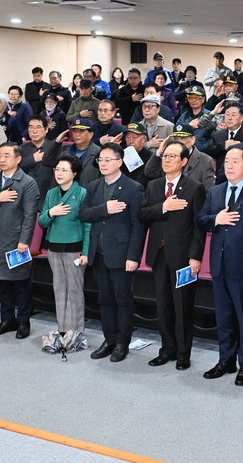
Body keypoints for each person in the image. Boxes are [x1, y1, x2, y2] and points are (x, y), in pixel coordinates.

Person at [196, 146, 243, 386]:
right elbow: (201, 220)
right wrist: (216, 219)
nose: (229, 165)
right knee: (224, 317)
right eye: (226, 161)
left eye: (235, 161)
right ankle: (226, 360)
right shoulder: (215, 191)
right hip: (219, 264)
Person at [138, 141, 207, 370]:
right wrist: (164, 207)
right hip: (158, 255)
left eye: (172, 156)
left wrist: (195, 257)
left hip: (184, 257)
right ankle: (167, 349)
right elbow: (142, 214)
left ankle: (183, 354)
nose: (166, 160)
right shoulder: (154, 186)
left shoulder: (195, 188)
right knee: (163, 306)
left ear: (184, 161)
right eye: (165, 156)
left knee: (183, 307)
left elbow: (198, 227)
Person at [79, 143, 145, 362]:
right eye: (101, 160)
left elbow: (137, 226)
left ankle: (122, 343)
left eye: (108, 159)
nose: (103, 164)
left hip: (122, 254)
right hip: (98, 253)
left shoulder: (133, 188)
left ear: (120, 162)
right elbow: (83, 214)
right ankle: (109, 339)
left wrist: (133, 256)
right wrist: (104, 209)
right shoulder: (94, 186)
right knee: (104, 298)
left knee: (122, 299)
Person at [0, 142, 40, 339]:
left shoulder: (27, 182)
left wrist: (24, 241)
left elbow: (30, 216)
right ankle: (7, 320)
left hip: (15, 241)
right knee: (1, 282)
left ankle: (23, 322)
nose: (2, 159)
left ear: (18, 159)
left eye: (7, 156)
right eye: (0, 155)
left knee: (20, 284)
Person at [38, 154, 90, 336]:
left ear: (74, 173)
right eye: (57, 169)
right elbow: (42, 221)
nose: (59, 173)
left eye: (64, 170)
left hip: (74, 249)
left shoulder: (82, 193)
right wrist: (51, 212)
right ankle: (62, 329)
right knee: (59, 289)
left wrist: (86, 252)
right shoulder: (51, 193)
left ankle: (76, 331)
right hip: (54, 248)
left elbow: (87, 226)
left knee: (74, 290)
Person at [144, 124, 215, 191]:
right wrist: (159, 152)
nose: (179, 142)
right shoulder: (167, 157)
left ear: (192, 140)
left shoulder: (205, 161)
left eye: (182, 138)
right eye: (176, 139)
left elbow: (208, 191)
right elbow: (149, 173)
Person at [45, 119, 101, 189]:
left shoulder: (98, 153)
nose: (77, 134)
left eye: (81, 131)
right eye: (75, 131)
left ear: (91, 135)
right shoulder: (64, 149)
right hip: (62, 192)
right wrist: (56, 142)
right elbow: (47, 161)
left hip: (86, 193)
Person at [19, 115, 59, 205]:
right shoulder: (21, 149)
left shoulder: (54, 148)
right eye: (31, 127)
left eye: (38, 127)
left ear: (46, 129)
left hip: (48, 196)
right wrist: (33, 159)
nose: (34, 131)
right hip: (25, 196)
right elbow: (15, 168)